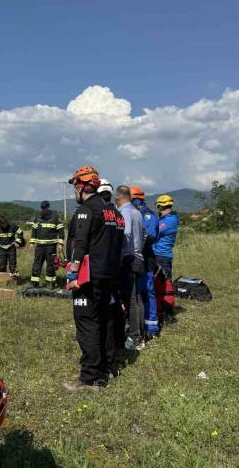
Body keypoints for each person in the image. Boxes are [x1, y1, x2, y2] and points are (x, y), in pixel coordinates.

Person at [64, 167, 124, 391]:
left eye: (75, 187)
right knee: (104, 322)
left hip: (89, 278)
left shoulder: (86, 211)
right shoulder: (114, 213)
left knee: (87, 324)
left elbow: (79, 245)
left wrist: (72, 274)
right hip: (109, 276)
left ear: (80, 186)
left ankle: (89, 377)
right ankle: (104, 369)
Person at [115, 185, 145, 351]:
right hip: (138, 257)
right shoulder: (137, 212)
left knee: (130, 300)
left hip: (128, 259)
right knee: (137, 298)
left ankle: (133, 336)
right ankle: (139, 333)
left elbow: (125, 233)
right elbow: (144, 233)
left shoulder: (125, 212)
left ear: (118, 199)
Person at [131, 186, 160, 337]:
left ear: (136, 199)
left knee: (147, 291)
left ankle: (151, 327)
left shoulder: (147, 215)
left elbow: (150, 236)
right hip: (136, 258)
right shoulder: (135, 213)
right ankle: (139, 324)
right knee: (136, 293)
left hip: (146, 258)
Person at [152, 194, 179, 323]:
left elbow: (153, 232)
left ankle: (167, 313)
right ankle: (162, 310)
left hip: (161, 257)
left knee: (164, 286)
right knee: (160, 285)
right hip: (161, 256)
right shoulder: (170, 219)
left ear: (159, 206)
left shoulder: (167, 221)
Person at [29, 200, 64, 288]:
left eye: (45, 208)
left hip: (51, 247)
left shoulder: (55, 217)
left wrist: (60, 244)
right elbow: (34, 230)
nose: (43, 210)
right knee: (36, 265)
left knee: (50, 265)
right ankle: (34, 283)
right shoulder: (37, 217)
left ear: (49, 207)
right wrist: (32, 243)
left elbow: (61, 231)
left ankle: (50, 283)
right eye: (42, 208)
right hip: (39, 246)